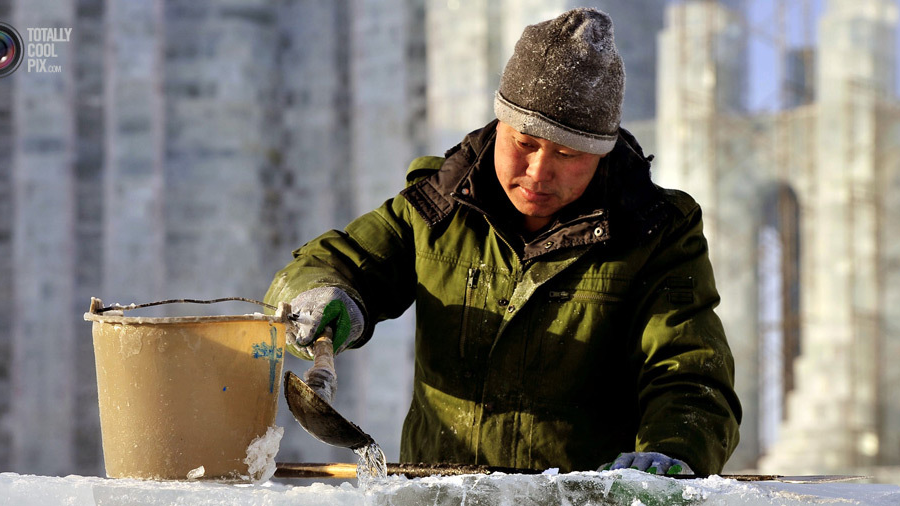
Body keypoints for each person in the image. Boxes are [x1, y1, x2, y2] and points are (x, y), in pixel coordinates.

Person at [266, 9, 742, 476]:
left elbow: (689, 374)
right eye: (525, 143)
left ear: (602, 153)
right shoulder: (436, 207)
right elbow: (338, 263)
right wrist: (317, 294)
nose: (538, 172)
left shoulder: (656, 231)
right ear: (500, 126)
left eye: (567, 154)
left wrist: (672, 451)